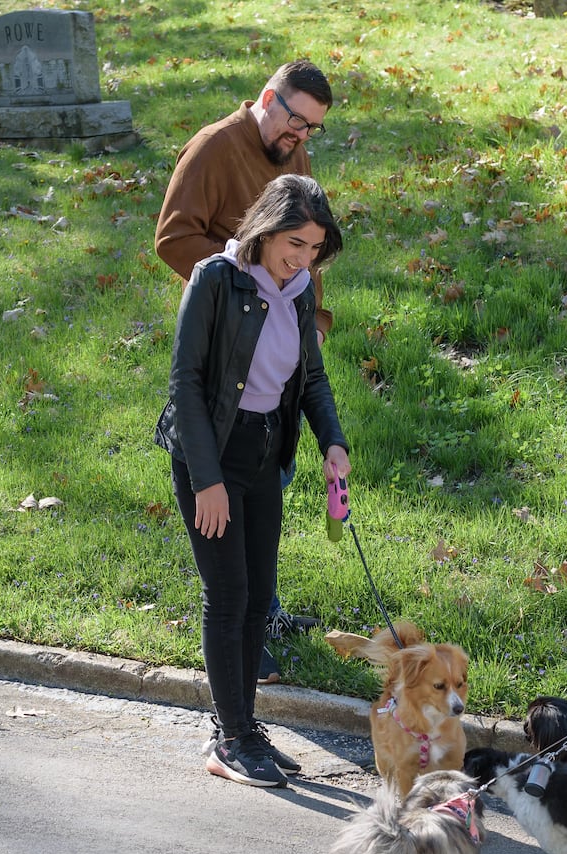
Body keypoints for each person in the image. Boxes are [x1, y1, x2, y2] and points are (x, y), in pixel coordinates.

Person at [154, 174, 350, 788]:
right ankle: (230, 736)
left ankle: (244, 727)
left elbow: (311, 379)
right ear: (265, 229)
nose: (303, 258)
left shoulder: (297, 290)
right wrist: (206, 479)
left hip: (267, 455)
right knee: (229, 594)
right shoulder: (216, 278)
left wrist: (333, 442)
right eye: (295, 242)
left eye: (314, 249)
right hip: (210, 454)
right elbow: (185, 382)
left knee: (260, 596)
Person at [155, 59, 334, 685]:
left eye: (312, 130)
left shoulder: (294, 157)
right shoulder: (214, 148)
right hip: (225, 358)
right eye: (295, 121)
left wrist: (302, 308)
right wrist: (243, 288)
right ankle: (238, 633)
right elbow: (173, 238)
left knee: (270, 488)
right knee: (225, 505)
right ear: (267, 98)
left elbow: (305, 245)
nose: (300, 137)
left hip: (281, 355)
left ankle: (266, 611)